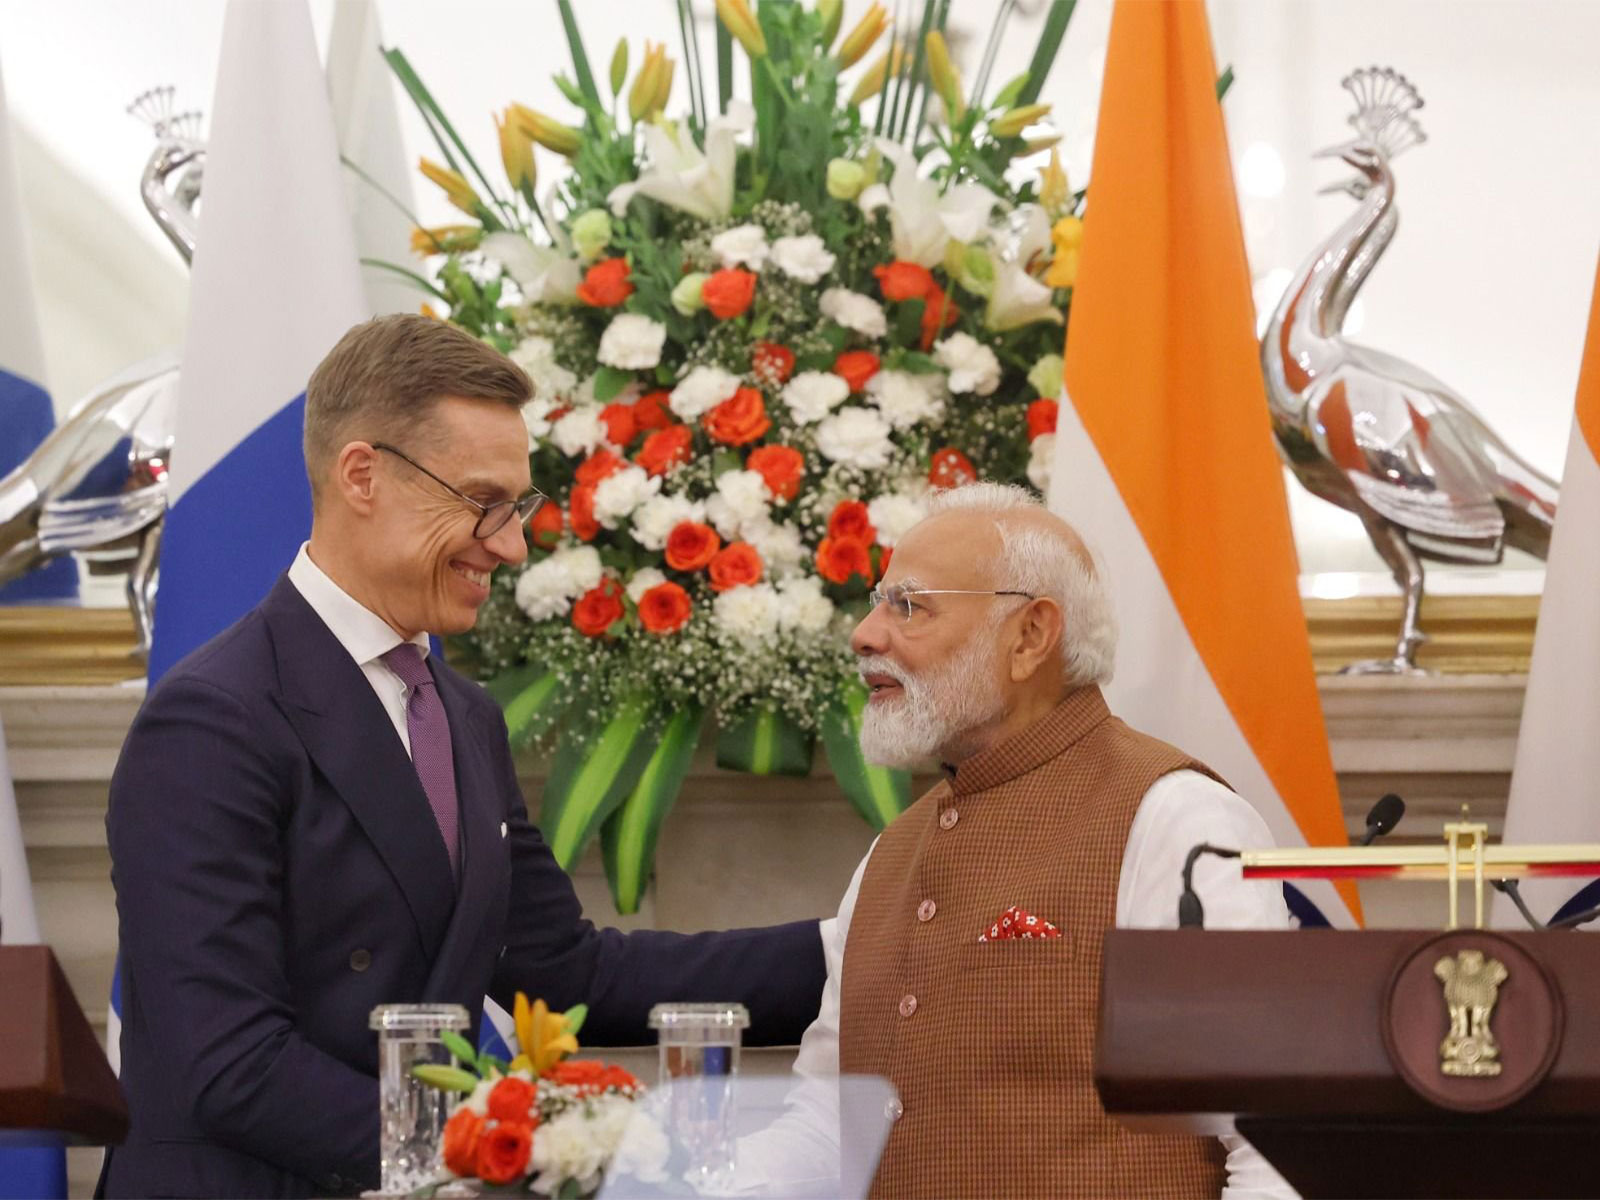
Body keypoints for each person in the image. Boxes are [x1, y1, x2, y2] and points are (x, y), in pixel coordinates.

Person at [100, 315, 825, 1199]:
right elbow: (229, 1061)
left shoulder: (463, 715)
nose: (512, 545)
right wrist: (502, 1151)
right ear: (361, 475)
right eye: (483, 503)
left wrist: (859, 946)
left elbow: (568, 974)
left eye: (516, 509)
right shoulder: (212, 721)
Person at [740, 482, 1295, 1199]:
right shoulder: (892, 851)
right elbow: (826, 1125)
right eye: (879, 602)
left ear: (1031, 635)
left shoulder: (1176, 819)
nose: (866, 634)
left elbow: (1271, 1141)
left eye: (908, 605)